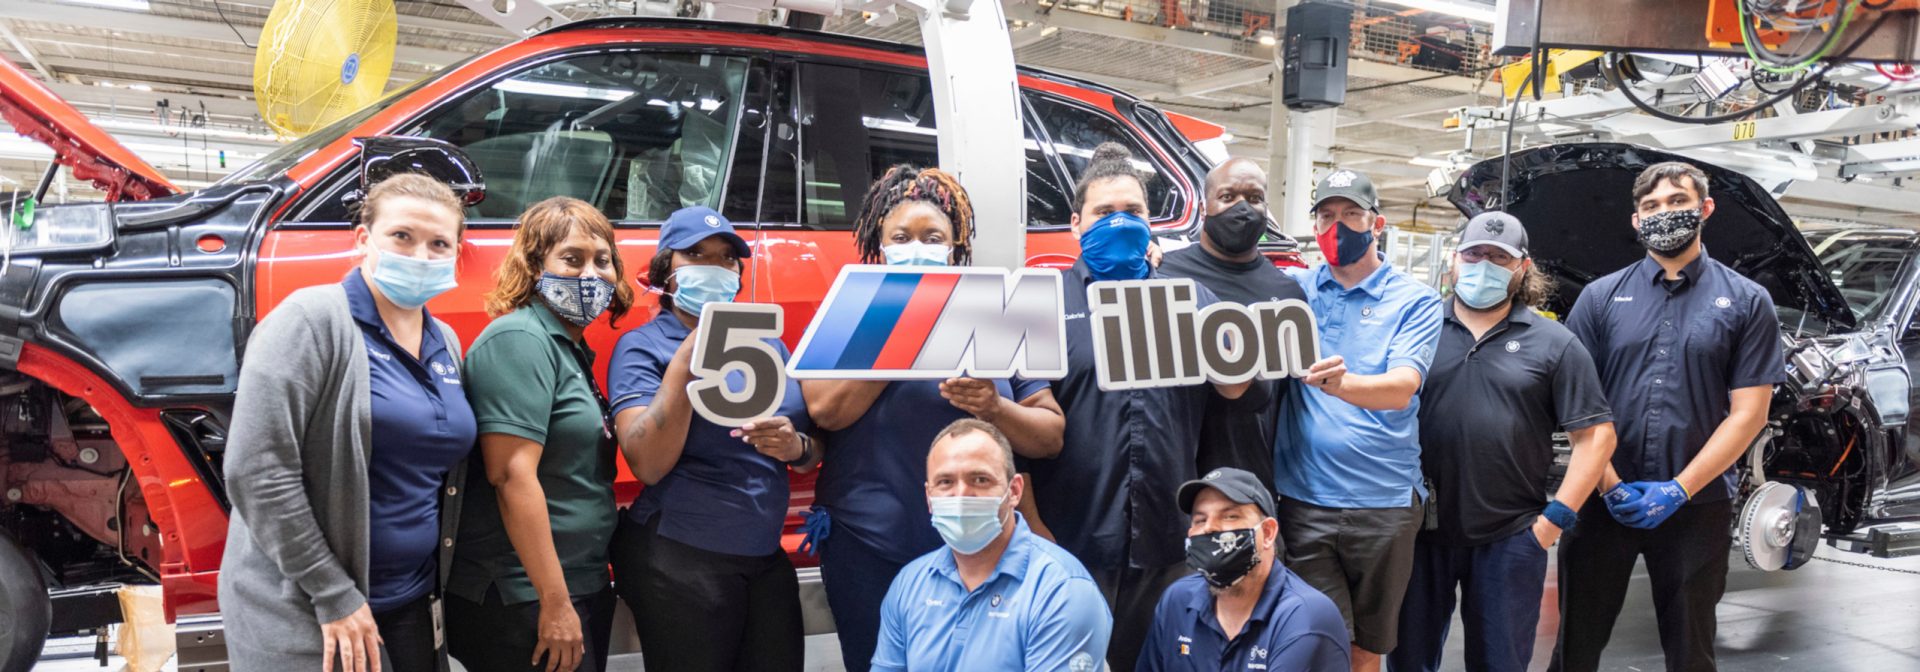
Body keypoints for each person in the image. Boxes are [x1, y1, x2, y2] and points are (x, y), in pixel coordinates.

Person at [804, 165, 1067, 672]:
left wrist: (994, 407)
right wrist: (902, 336)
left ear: (956, 245)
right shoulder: (850, 310)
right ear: (879, 244)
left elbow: (1048, 437)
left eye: (932, 237)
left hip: (983, 553)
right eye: (901, 236)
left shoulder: (996, 313)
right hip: (868, 551)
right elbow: (826, 413)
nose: (916, 245)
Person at [221, 174, 475, 672]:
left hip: (412, 601)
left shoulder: (444, 339)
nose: (421, 256)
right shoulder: (311, 321)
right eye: (402, 236)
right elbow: (256, 470)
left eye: (439, 243)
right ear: (363, 239)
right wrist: (332, 591)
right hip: (313, 610)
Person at [1026, 141, 1251, 671]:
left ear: (1153, 223)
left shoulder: (1192, 302)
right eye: (1105, 213)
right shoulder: (1044, 302)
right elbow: (1024, 425)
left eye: (1134, 212)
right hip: (1070, 533)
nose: (1121, 222)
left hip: (1167, 538)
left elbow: (1236, 395)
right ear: (1076, 223)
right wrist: (1034, 527)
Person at [1551, 162, 1782, 672]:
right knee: (1575, 647)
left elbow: (1749, 414)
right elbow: (1578, 404)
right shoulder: (1599, 297)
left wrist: (1679, 488)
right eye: (1651, 206)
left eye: (1678, 201)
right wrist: (1609, 485)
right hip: (1599, 501)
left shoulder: (1746, 301)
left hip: (1697, 508)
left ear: (1705, 208)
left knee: (1690, 649)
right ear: (1636, 220)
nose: (1664, 213)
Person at [1387, 213, 1617, 672]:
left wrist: (1553, 522)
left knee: (1500, 663)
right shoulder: (1417, 328)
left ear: (1522, 267)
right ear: (1454, 260)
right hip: (1419, 533)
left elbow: (1595, 437)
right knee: (1408, 661)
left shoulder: (1556, 344)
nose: (1483, 265)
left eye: (1498, 257)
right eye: (1474, 254)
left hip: (1511, 536)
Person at [607, 206, 817, 672]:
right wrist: (688, 359)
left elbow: (810, 448)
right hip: (681, 558)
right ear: (666, 271)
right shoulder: (645, 346)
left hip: (763, 559)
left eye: (725, 258)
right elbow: (647, 462)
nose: (714, 267)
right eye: (696, 255)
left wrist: (797, 447)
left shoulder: (768, 345)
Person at [446, 197, 634, 672]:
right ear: (534, 267)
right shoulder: (519, 340)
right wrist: (554, 602)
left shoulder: (569, 348)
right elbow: (511, 477)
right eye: (571, 259)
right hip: (523, 594)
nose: (590, 274)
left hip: (576, 582)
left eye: (602, 260)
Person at [1273, 168, 1443, 672]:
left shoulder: (1415, 300)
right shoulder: (1294, 290)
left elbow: (1401, 387)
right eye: (1326, 215)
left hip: (1383, 505)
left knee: (1367, 651)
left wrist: (1339, 384)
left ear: (1377, 223)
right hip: (1305, 500)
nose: (1337, 226)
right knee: (1313, 641)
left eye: (1351, 214)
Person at [872, 419, 1111, 671]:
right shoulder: (909, 584)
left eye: (980, 479)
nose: (962, 494)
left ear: (1014, 490)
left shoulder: (1062, 591)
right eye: (945, 482)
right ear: (929, 497)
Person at [1156, 158, 1307, 490]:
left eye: (1254, 199)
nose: (1242, 208)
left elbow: (1285, 402)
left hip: (1246, 477)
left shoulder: (1287, 294)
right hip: (1168, 468)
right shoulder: (1162, 273)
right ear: (1204, 207)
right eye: (1227, 196)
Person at [1137, 468, 1349, 672]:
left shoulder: (1306, 618)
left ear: (1267, 533)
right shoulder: (1177, 601)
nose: (1210, 528)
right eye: (1200, 520)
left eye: (1230, 516)